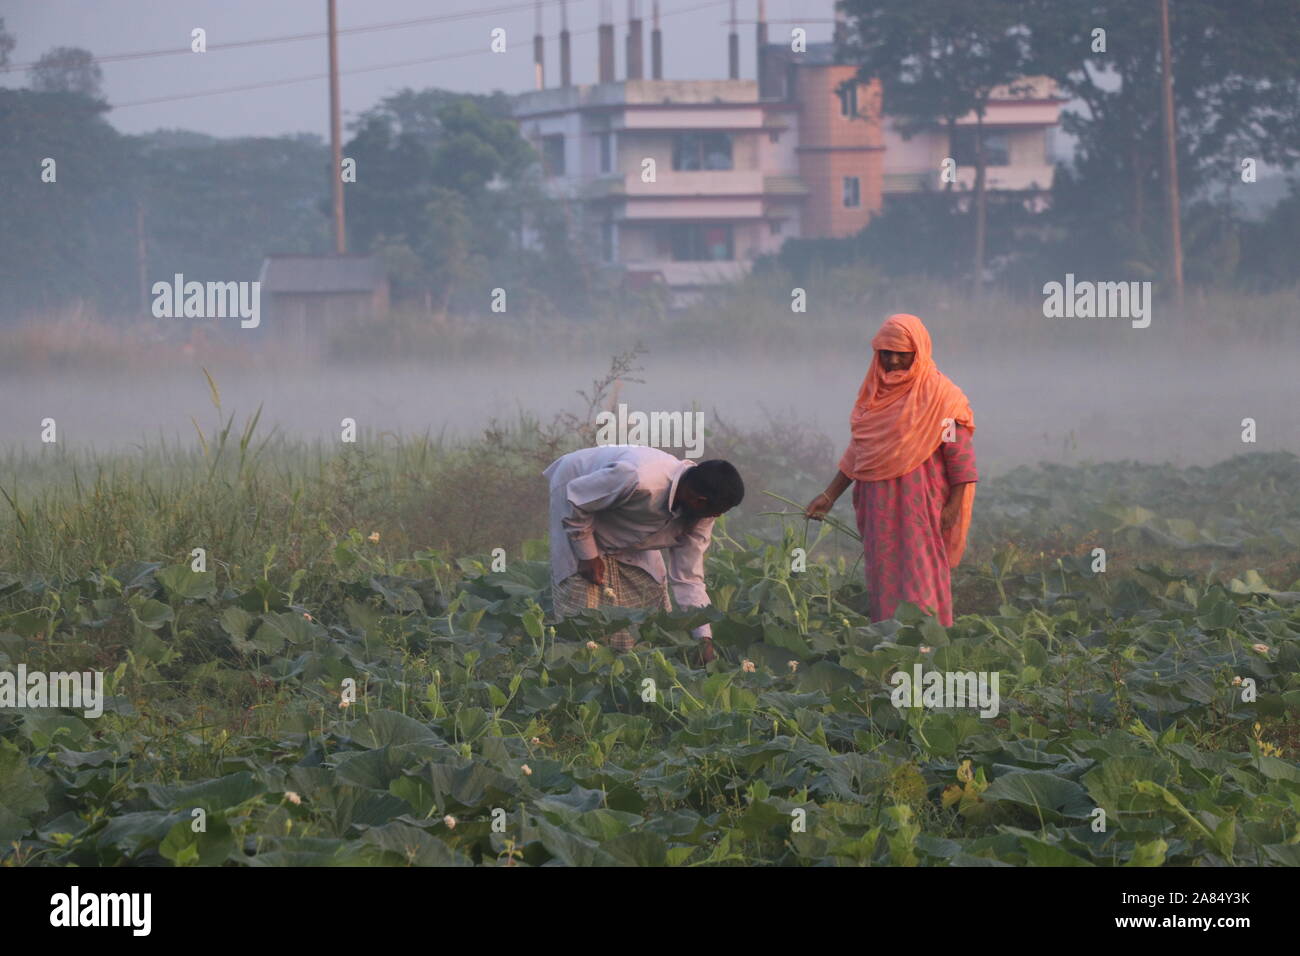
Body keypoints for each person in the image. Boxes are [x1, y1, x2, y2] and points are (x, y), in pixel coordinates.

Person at [805, 313, 977, 627]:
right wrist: (829, 496)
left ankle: (927, 644)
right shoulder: (874, 397)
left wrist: (953, 505)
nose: (894, 360)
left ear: (919, 351)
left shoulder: (941, 397)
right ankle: (890, 646)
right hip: (879, 506)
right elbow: (859, 451)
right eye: (887, 353)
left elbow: (960, 457)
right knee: (884, 574)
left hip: (922, 505)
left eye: (902, 353)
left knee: (921, 570)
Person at [544, 446, 745, 662]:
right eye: (716, 512)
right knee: (584, 606)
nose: (715, 517)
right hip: (578, 491)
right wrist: (587, 554)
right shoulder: (639, 478)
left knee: (649, 594)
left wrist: (703, 638)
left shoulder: (701, 513)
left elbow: (689, 577)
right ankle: (590, 667)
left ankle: (633, 667)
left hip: (626, 513)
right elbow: (577, 498)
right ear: (699, 501)